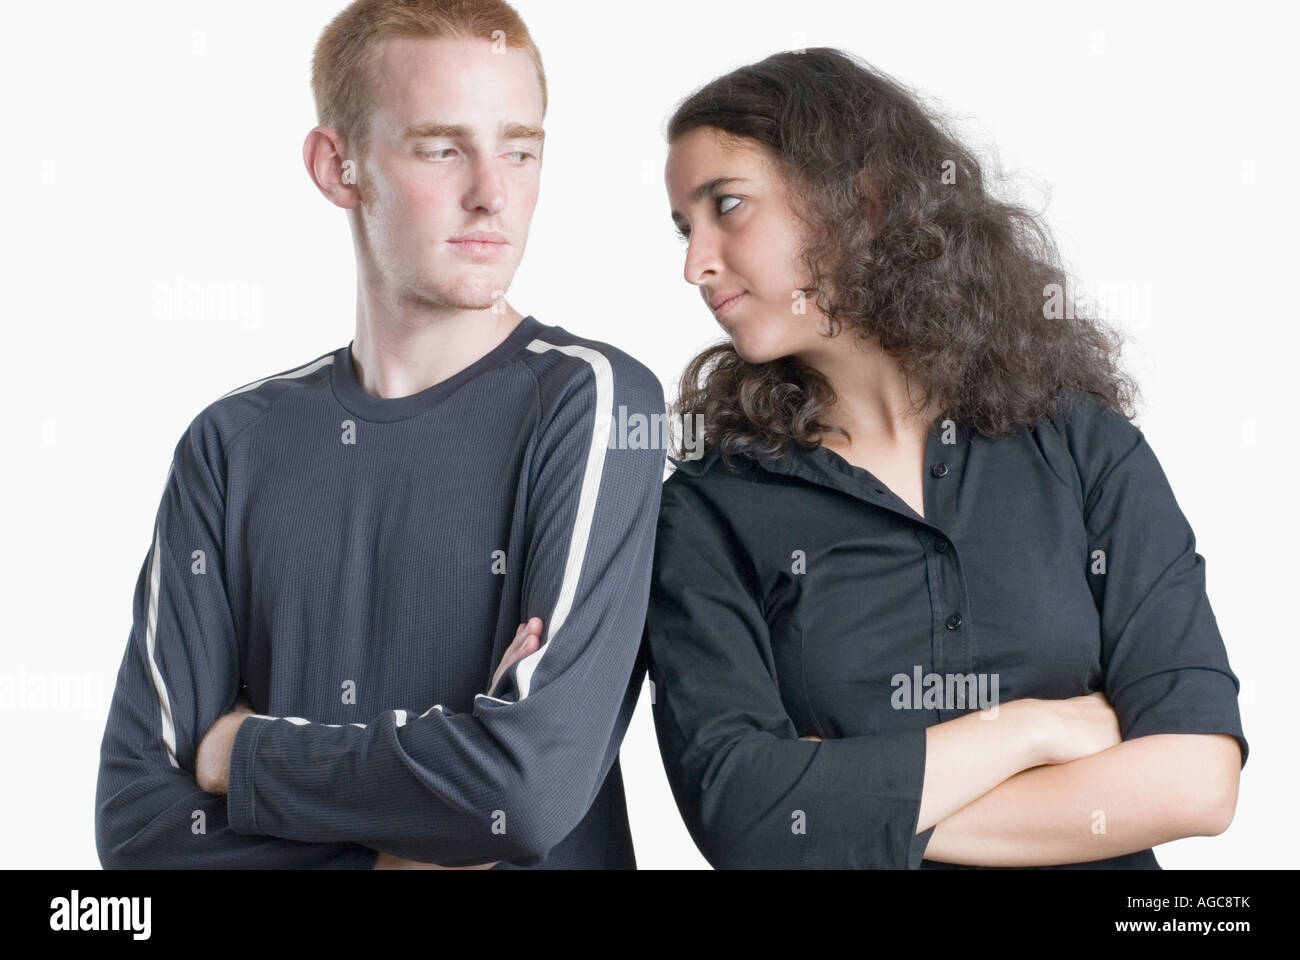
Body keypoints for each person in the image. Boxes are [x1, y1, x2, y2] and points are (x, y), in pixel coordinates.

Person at [95, 0, 665, 869]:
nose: (493, 192)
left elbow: (525, 790)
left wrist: (243, 754)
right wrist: (402, 855)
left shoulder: (592, 404)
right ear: (338, 167)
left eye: (520, 148)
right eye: (441, 147)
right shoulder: (231, 443)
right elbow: (139, 828)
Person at [645, 47, 1247, 869]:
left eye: (729, 207)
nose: (696, 265)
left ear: (861, 198)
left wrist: (847, 806)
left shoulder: (1083, 448)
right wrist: (1035, 727)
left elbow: (1196, 783)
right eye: (686, 228)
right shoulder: (710, 509)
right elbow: (742, 811)